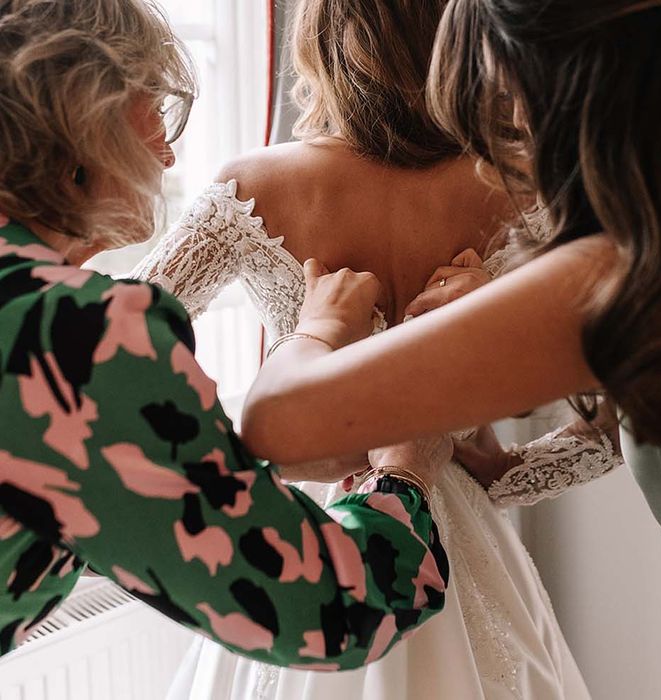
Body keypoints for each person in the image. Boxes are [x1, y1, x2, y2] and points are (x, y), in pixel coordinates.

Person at [240, 1, 661, 698]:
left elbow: (279, 419)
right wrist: (504, 462)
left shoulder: (631, 277)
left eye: (497, 95)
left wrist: (319, 328)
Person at [133, 1, 623, 697]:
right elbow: (624, 420)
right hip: (454, 529)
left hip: (307, 533)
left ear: (322, 44)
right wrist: (505, 473)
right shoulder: (522, 191)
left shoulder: (252, 187)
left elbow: (108, 346)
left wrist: (233, 465)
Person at [0, 0, 451, 669]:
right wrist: (406, 466)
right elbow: (331, 608)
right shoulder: (80, 336)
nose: (169, 146)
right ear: (85, 107)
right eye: (157, 99)